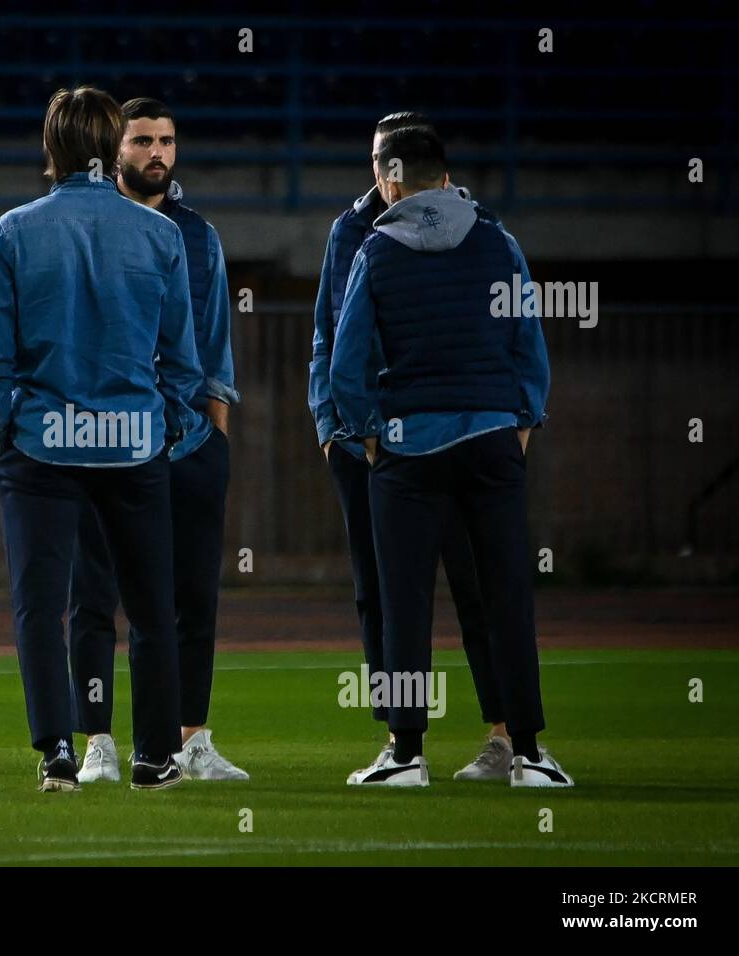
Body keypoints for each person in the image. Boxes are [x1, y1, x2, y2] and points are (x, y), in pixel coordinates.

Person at [0, 87, 203, 792]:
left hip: (41, 445)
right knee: (153, 608)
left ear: (53, 149)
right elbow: (182, 359)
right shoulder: (162, 235)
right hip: (134, 446)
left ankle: (57, 755)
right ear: (112, 147)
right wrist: (169, 427)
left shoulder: (14, 230)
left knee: (43, 607)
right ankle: (155, 755)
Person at [329, 125, 572, 788]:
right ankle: (527, 753)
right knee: (505, 600)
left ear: (389, 181)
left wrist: (372, 436)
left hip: (410, 449)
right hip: (492, 444)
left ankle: (406, 754)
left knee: (404, 603)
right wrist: (516, 426)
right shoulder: (499, 241)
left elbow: (346, 369)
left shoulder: (375, 251)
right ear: (444, 177)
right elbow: (531, 350)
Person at [311, 111, 513, 784]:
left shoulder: (447, 231)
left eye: (387, 159)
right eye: (374, 157)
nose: (380, 169)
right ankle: (403, 742)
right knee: (385, 594)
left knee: (478, 587)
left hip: (420, 434)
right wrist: (334, 427)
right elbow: (328, 335)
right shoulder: (350, 232)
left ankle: (500, 735)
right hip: (371, 441)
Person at [68, 97, 246, 783]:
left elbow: (215, 349)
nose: (157, 154)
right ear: (115, 151)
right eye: (142, 140)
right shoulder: (88, 228)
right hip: (106, 445)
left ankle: (190, 739)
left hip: (189, 446)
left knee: (192, 600)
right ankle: (98, 744)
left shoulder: (199, 237)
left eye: (166, 140)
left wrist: (215, 439)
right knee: (94, 601)